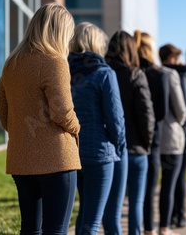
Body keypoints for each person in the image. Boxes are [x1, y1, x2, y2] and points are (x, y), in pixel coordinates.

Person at [0, 3, 80, 234]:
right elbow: (63, 112)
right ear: (60, 32)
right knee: (56, 230)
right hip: (57, 159)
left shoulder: (11, 64)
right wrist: (77, 127)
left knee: (30, 229)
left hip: (21, 159)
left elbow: (5, 117)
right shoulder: (55, 61)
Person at [68, 22, 126, 235]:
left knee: (84, 215)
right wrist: (119, 147)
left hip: (73, 152)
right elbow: (116, 118)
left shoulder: (65, 71)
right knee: (92, 222)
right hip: (100, 154)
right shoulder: (104, 72)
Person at [105, 31, 155, 235]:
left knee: (113, 207)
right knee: (136, 202)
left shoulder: (105, 72)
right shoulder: (135, 74)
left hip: (112, 147)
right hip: (136, 148)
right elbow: (146, 114)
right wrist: (147, 143)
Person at [159, 44, 186, 229]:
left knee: (168, 179)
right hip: (181, 130)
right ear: (173, 57)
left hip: (160, 131)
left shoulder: (156, 73)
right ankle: (179, 215)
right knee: (180, 175)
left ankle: (171, 217)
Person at [134, 30, 169, 235]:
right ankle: (148, 229)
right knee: (148, 189)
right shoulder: (158, 74)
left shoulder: (129, 71)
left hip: (129, 137)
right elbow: (162, 111)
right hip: (153, 137)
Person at [157, 45, 186, 235]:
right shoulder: (171, 75)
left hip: (153, 137)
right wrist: (181, 121)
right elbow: (181, 109)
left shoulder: (149, 72)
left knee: (152, 185)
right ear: (172, 58)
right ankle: (164, 227)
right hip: (171, 136)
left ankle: (150, 227)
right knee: (169, 185)